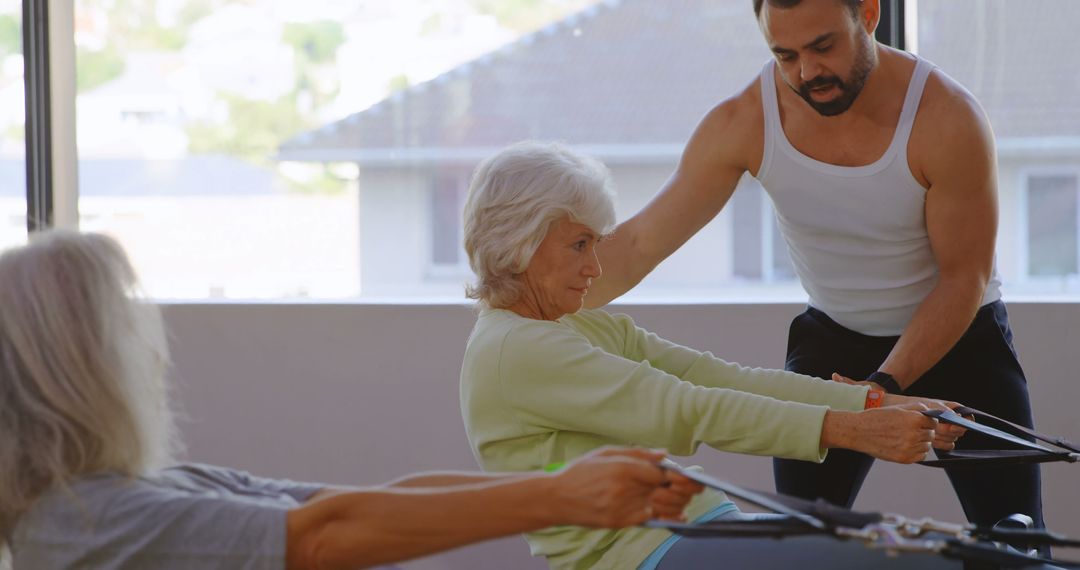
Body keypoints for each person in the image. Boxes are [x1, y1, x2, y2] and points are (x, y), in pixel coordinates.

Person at [581, 0, 1044, 533]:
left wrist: (879, 388)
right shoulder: (745, 120)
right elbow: (637, 243)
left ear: (868, 14)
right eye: (785, 55)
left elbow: (965, 278)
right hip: (833, 342)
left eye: (823, 47)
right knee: (801, 539)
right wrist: (529, 300)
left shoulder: (945, 116)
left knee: (1018, 545)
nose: (807, 73)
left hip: (961, 338)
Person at [0, 231, 704, 570]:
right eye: (127, 331)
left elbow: (354, 503)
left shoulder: (146, 492)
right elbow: (320, 537)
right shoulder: (77, 524)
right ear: (77, 367)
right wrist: (564, 499)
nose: (151, 354)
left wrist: (574, 480)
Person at [459, 141, 965, 569]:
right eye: (579, 245)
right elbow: (688, 406)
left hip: (691, 529)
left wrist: (879, 405)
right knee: (911, 559)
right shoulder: (516, 349)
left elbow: (721, 379)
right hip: (646, 554)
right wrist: (855, 429)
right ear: (520, 242)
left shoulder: (576, 325)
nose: (595, 267)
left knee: (921, 553)